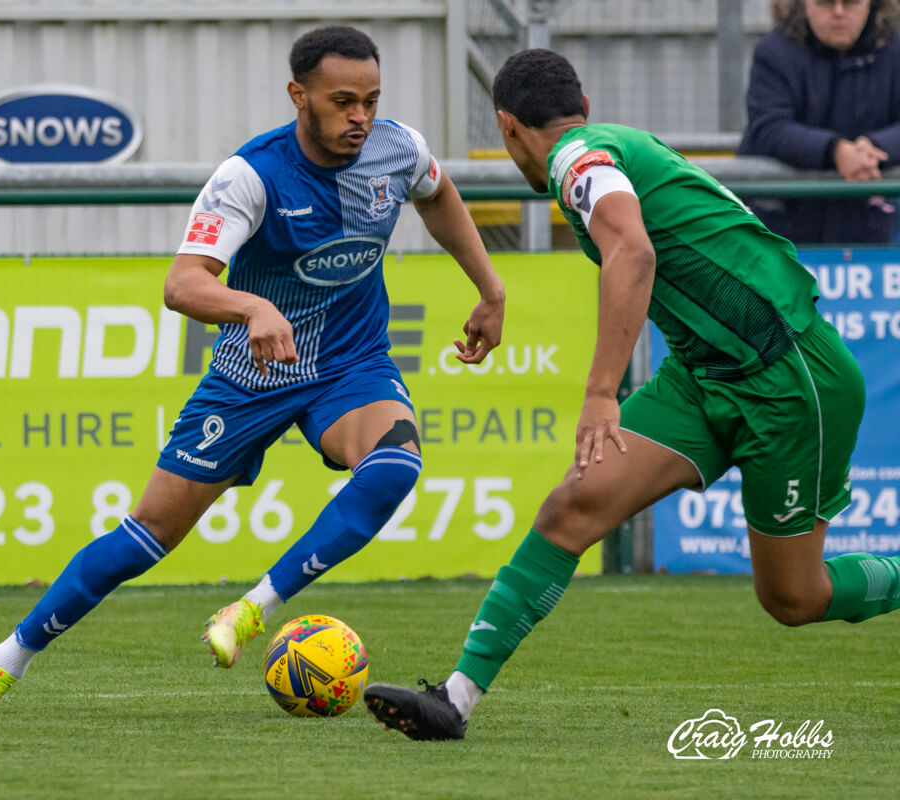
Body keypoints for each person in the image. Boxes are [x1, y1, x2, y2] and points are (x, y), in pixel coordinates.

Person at [0, 25, 506, 716]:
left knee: (396, 466)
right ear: (299, 95)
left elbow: (437, 192)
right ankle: (6, 659)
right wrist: (251, 308)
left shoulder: (395, 148)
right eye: (343, 101)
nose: (361, 117)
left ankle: (252, 609)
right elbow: (182, 285)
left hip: (351, 364)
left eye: (372, 100)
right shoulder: (252, 174)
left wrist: (490, 288)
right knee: (145, 538)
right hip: (252, 376)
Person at [364, 48, 900, 742]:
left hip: (793, 378)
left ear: (507, 127)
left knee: (795, 597)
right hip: (704, 374)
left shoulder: (575, 160)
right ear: (581, 107)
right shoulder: (601, 149)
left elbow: (634, 252)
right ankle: (455, 700)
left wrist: (600, 394)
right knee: (573, 505)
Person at [737, 0, 900, 244]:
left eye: (850, 2)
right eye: (825, 2)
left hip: (875, 232)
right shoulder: (773, 52)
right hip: (783, 230)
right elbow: (768, 126)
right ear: (803, 4)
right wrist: (835, 151)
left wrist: (876, 148)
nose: (838, 12)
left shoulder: (895, 50)